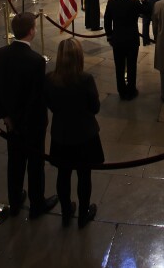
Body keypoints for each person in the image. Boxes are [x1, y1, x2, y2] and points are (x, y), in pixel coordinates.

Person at [0, 13, 59, 219]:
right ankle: (37, 203)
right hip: (33, 123)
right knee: (35, 164)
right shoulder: (36, 60)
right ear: (31, 31)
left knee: (15, 162)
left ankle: (15, 199)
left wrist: (5, 116)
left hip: (10, 122)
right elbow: (36, 97)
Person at [45, 38, 104, 228]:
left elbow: (51, 105)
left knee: (63, 174)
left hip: (61, 133)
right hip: (84, 135)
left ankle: (65, 211)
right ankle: (83, 213)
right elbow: (95, 107)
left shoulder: (50, 79)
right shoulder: (85, 79)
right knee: (84, 175)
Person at [104, 0, 144, 100]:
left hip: (117, 39)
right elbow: (148, 10)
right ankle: (131, 90)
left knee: (119, 66)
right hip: (132, 39)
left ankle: (121, 91)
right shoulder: (135, 4)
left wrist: (110, 36)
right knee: (132, 66)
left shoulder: (111, 3)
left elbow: (107, 21)